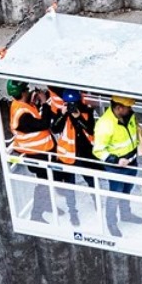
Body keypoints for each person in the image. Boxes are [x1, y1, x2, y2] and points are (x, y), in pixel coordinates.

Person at [92, 95, 142, 237]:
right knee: (114, 194)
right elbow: (98, 150)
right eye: (128, 106)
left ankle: (126, 214)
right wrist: (115, 160)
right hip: (117, 167)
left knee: (127, 190)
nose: (131, 108)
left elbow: (135, 133)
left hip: (132, 162)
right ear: (118, 108)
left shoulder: (129, 116)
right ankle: (111, 223)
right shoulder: (105, 125)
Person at [7, 81, 56, 223]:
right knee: (44, 183)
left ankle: (45, 205)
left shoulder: (21, 106)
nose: (29, 92)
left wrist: (37, 103)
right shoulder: (22, 116)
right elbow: (43, 124)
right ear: (22, 93)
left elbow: (35, 116)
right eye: (27, 90)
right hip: (37, 154)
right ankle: (36, 214)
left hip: (40, 151)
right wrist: (45, 103)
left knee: (47, 181)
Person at [49, 90, 95, 228]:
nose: (70, 106)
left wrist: (78, 116)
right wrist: (62, 114)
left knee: (91, 181)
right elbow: (55, 128)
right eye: (68, 104)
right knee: (69, 187)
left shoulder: (86, 111)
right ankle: (73, 213)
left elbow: (90, 129)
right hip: (67, 156)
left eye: (73, 104)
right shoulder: (61, 112)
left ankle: (96, 201)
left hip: (84, 155)